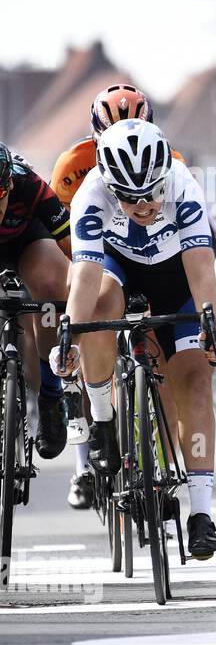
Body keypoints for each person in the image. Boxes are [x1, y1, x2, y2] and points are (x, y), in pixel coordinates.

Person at [58, 119, 216, 557]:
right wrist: (70, 337)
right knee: (98, 308)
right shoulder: (90, 196)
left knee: (194, 381)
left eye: (152, 192)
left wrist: (212, 327)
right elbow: (86, 281)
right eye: (131, 198)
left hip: (176, 277)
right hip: (117, 270)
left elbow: (203, 272)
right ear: (111, 188)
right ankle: (103, 421)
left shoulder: (184, 186)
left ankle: (201, 513)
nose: (146, 204)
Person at [0, 143, 71, 466]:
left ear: (9, 185)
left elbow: (75, 250)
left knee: (53, 286)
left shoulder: (29, 183)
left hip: (27, 239)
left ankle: (51, 396)